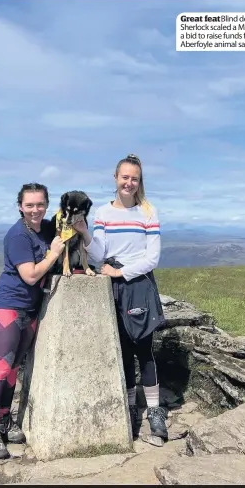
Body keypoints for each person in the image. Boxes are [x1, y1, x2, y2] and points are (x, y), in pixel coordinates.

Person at [72, 154, 168, 442]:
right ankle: (128, 409)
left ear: (139, 182)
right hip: (112, 285)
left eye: (134, 178)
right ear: (116, 178)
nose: (129, 182)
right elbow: (99, 255)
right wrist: (85, 235)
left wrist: (120, 272)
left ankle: (154, 411)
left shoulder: (148, 212)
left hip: (137, 284)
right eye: (124, 177)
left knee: (144, 348)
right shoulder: (103, 213)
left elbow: (153, 258)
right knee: (122, 350)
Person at [0, 182, 65, 459]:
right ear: (20, 206)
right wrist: (53, 252)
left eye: (40, 204)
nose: (35, 209)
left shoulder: (47, 229)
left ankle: (4, 419)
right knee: (2, 367)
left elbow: (72, 237)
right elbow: (30, 275)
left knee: (15, 367)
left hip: (30, 309)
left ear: (47, 205)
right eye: (29, 205)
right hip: (8, 306)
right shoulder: (18, 235)